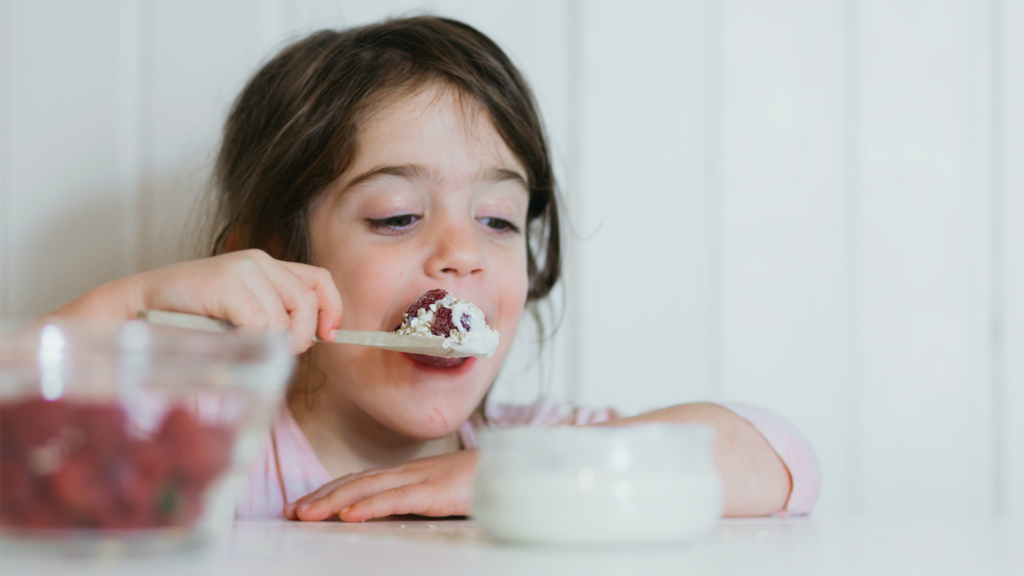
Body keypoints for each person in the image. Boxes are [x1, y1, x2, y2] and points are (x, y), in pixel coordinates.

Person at [49, 16, 818, 521]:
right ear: (276, 258)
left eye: (498, 221)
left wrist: (502, 481)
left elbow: (781, 457)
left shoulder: (539, 455)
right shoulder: (207, 455)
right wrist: (129, 302)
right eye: (397, 216)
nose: (462, 254)